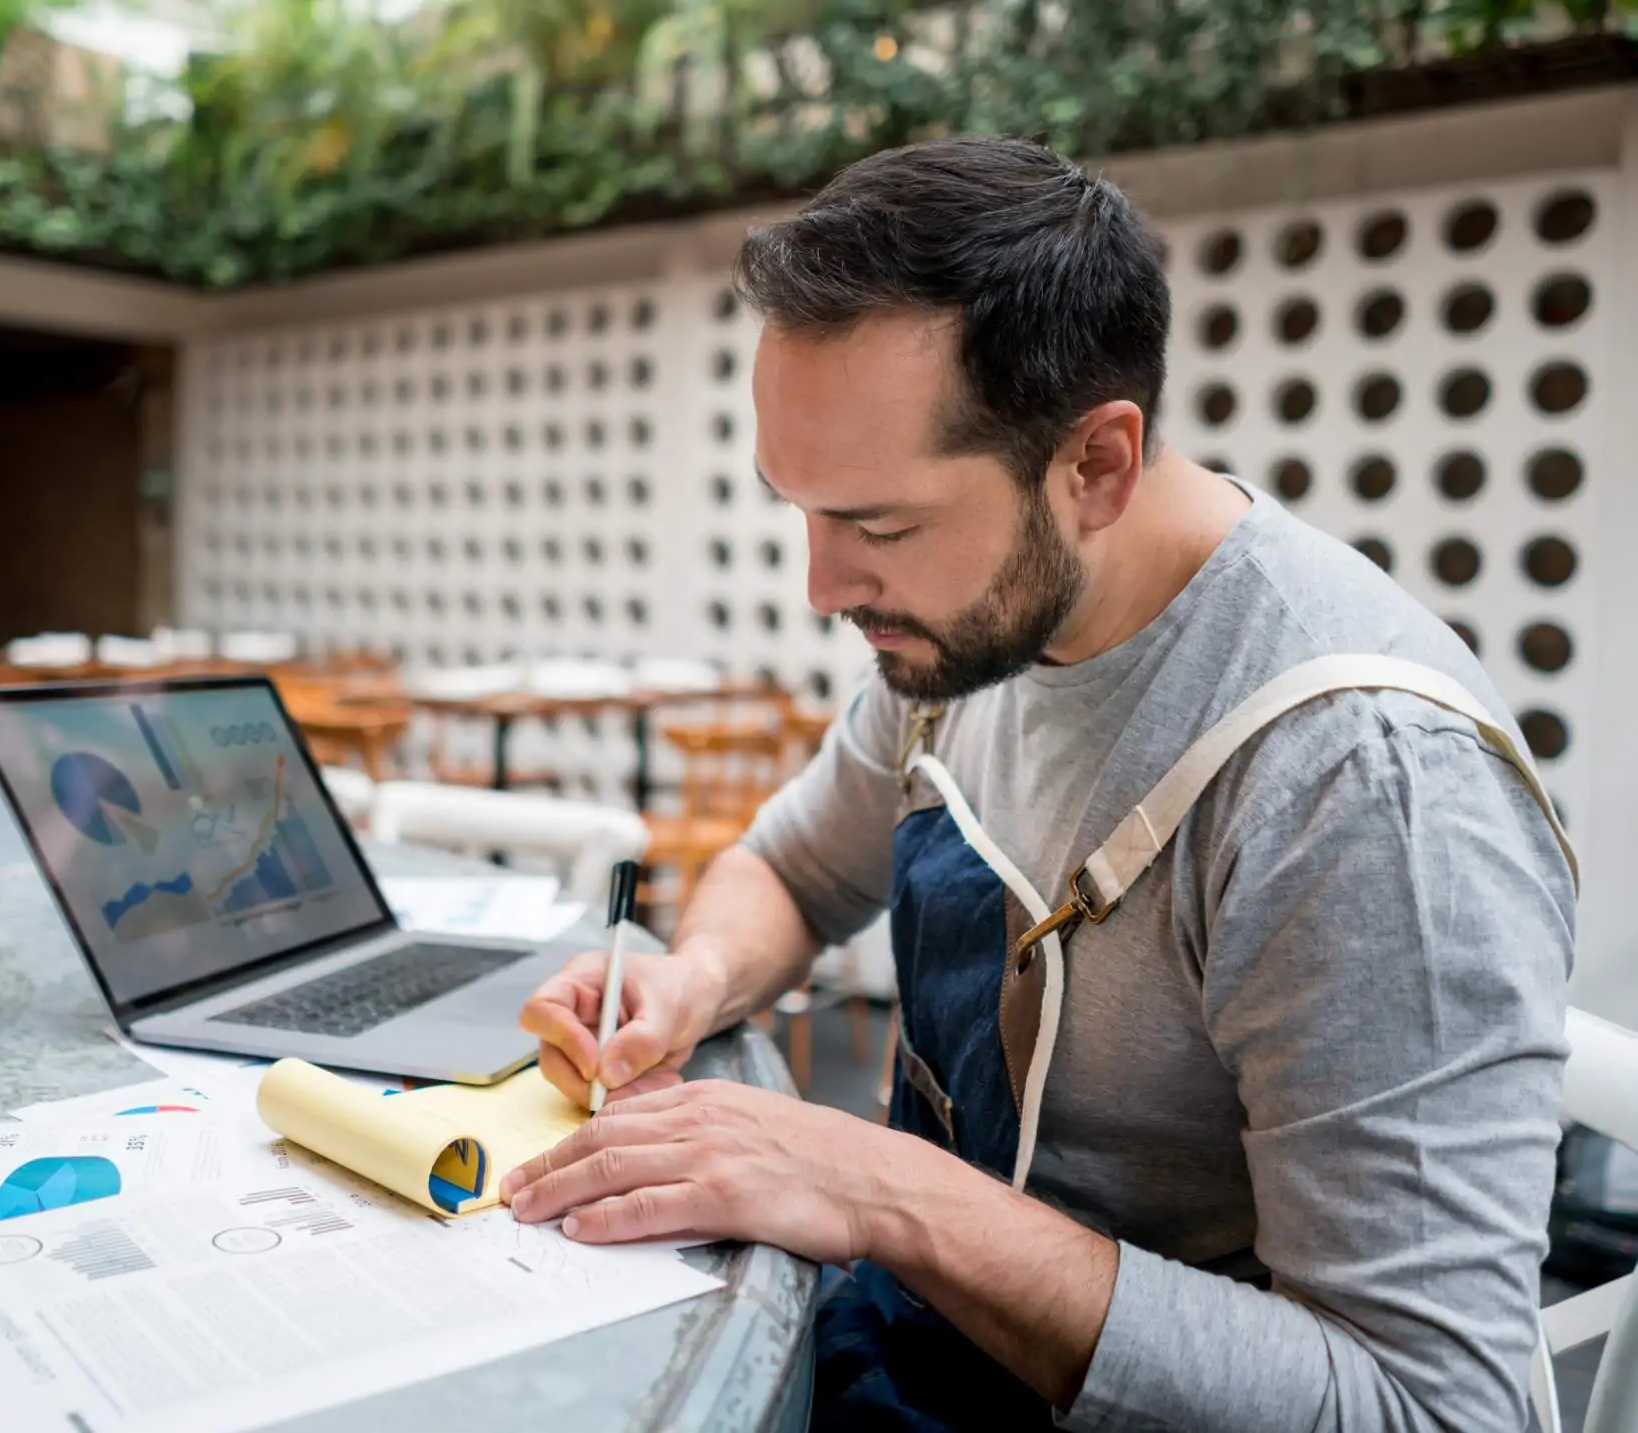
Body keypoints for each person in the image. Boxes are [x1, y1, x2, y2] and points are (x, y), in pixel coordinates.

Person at [500, 136, 1577, 1431]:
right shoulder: (967, 640)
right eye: (799, 510)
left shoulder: (1363, 790)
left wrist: (887, 1192)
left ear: (1097, 466)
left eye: (880, 526)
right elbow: (789, 866)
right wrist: (696, 978)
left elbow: (1431, 1407)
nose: (822, 589)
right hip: (921, 1358)